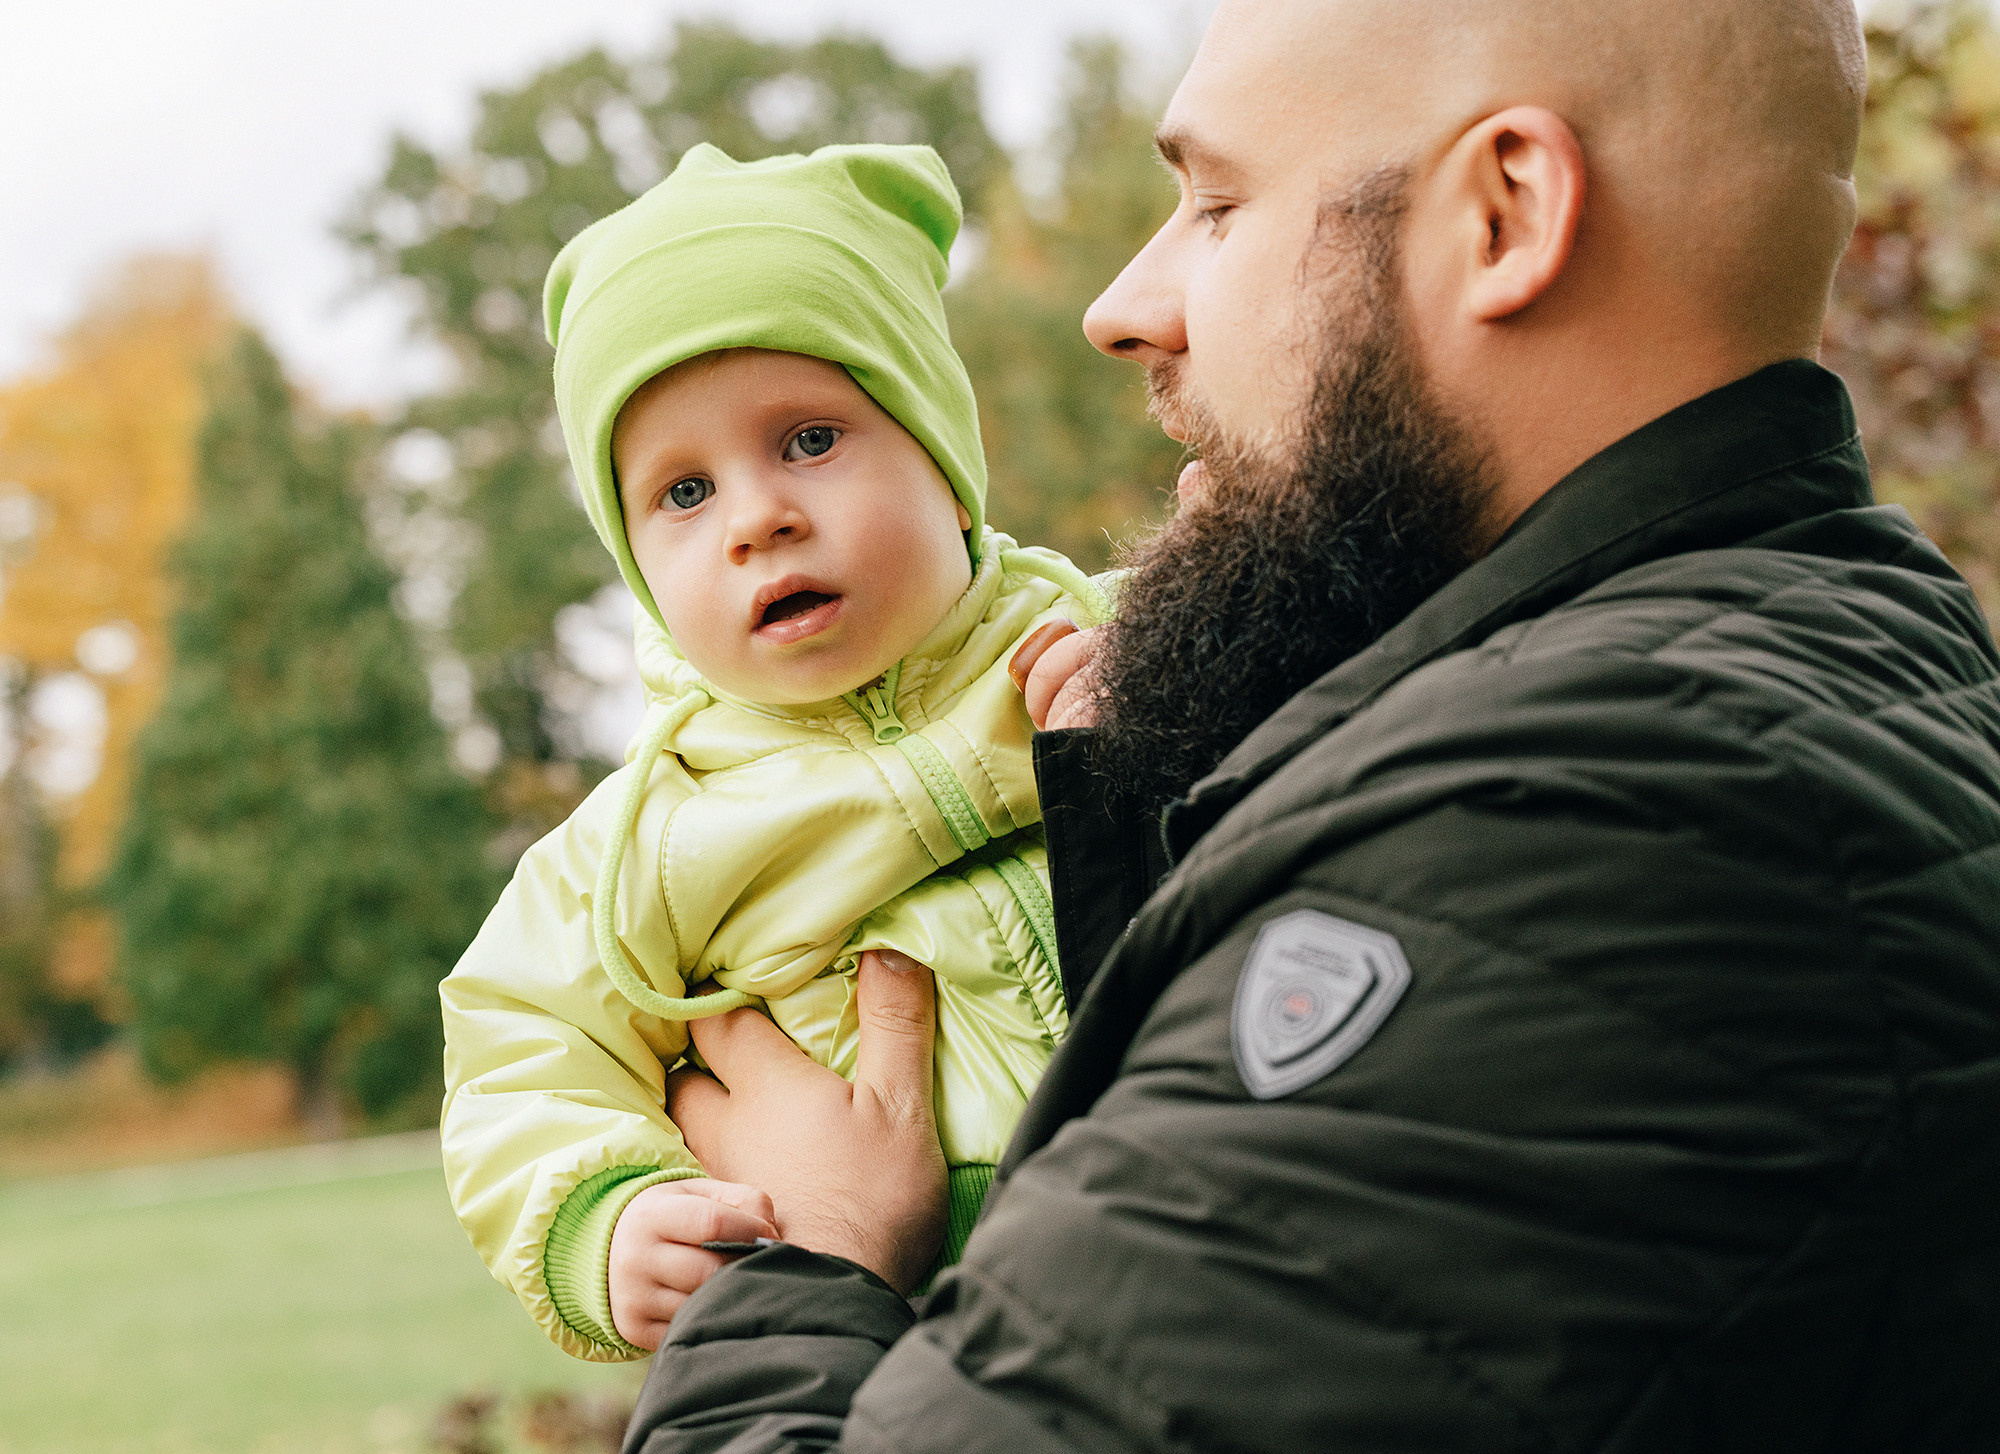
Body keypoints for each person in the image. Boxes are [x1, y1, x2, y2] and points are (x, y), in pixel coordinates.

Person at [616, 0, 2000, 1449]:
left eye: (1216, 202)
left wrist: (814, 1253)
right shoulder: (1849, 660)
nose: (1121, 307)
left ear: (1504, 216)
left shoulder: (1575, 841)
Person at [438, 142, 1105, 1361]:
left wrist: (1162, 716)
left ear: (949, 472)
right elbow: (518, 1051)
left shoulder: (1101, 646)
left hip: (1202, 1202)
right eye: (682, 492)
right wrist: (610, 1216)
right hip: (920, 1327)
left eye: (808, 440)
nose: (756, 517)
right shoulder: (650, 828)